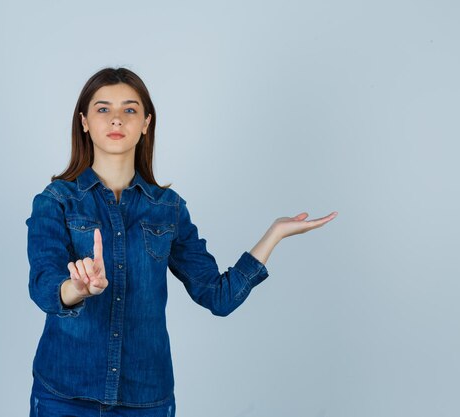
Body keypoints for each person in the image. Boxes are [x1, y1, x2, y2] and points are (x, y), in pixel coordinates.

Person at [25, 67, 337, 416]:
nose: (116, 120)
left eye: (129, 109)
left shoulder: (168, 209)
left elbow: (218, 297)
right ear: (84, 121)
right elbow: (43, 285)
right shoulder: (56, 201)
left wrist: (273, 235)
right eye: (103, 109)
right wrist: (77, 288)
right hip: (64, 395)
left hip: (146, 400)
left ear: (146, 122)